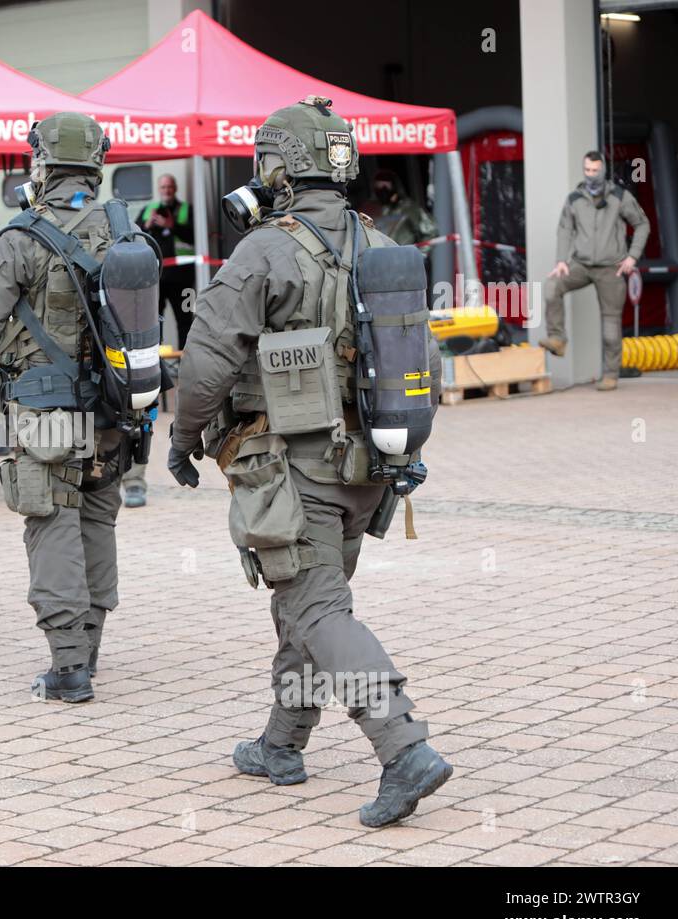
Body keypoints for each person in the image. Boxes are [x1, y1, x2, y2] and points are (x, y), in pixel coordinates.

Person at [167, 96, 451, 828]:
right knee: (305, 603)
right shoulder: (376, 241)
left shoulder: (265, 248)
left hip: (294, 471)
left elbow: (205, 363)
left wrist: (181, 439)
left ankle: (402, 745)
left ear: (281, 168)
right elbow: (425, 359)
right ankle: (281, 744)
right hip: (368, 467)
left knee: (315, 606)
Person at [0, 112, 149, 702]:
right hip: (115, 406)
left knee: (53, 520)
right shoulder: (126, 232)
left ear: (40, 163)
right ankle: (89, 646)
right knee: (97, 518)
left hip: (46, 409)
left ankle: (68, 668)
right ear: (95, 163)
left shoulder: (21, 236)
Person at [541, 150, 649, 391]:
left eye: (595, 171)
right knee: (552, 286)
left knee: (611, 325)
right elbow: (564, 230)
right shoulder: (574, 199)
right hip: (581, 264)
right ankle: (558, 339)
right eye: (587, 170)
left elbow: (642, 224)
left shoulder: (620, 197)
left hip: (611, 268)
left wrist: (632, 257)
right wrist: (561, 261)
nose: (591, 175)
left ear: (603, 170)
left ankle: (610, 374)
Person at [136, 174, 196, 347]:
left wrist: (172, 226)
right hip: (156, 278)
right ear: (159, 189)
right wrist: (147, 225)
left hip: (183, 278)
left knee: (186, 320)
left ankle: (186, 364)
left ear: (175, 188)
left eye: (169, 186)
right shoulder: (149, 209)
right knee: (154, 321)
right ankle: (158, 366)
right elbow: (133, 234)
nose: (166, 190)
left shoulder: (187, 209)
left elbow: (195, 235)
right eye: (163, 187)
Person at [371, 169, 437, 249]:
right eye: (378, 186)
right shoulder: (372, 210)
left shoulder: (408, 208)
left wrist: (420, 254)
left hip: (405, 257)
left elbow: (431, 232)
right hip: (382, 258)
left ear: (394, 186)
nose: (382, 190)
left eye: (386, 186)